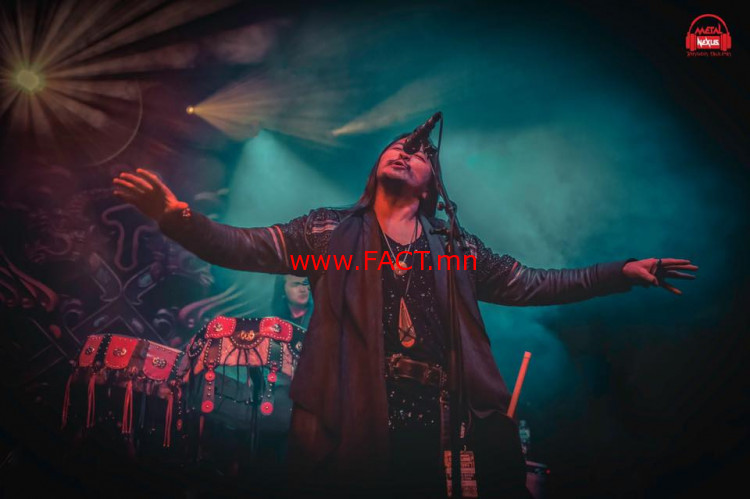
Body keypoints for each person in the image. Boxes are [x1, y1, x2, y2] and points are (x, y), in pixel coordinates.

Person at [113, 133, 697, 497]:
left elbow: (534, 283)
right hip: (353, 412)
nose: (406, 151)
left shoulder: (455, 246)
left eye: (419, 153)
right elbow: (241, 246)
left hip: (441, 423)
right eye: (397, 145)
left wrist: (619, 273)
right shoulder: (325, 232)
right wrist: (176, 217)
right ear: (376, 167)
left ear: (431, 186)